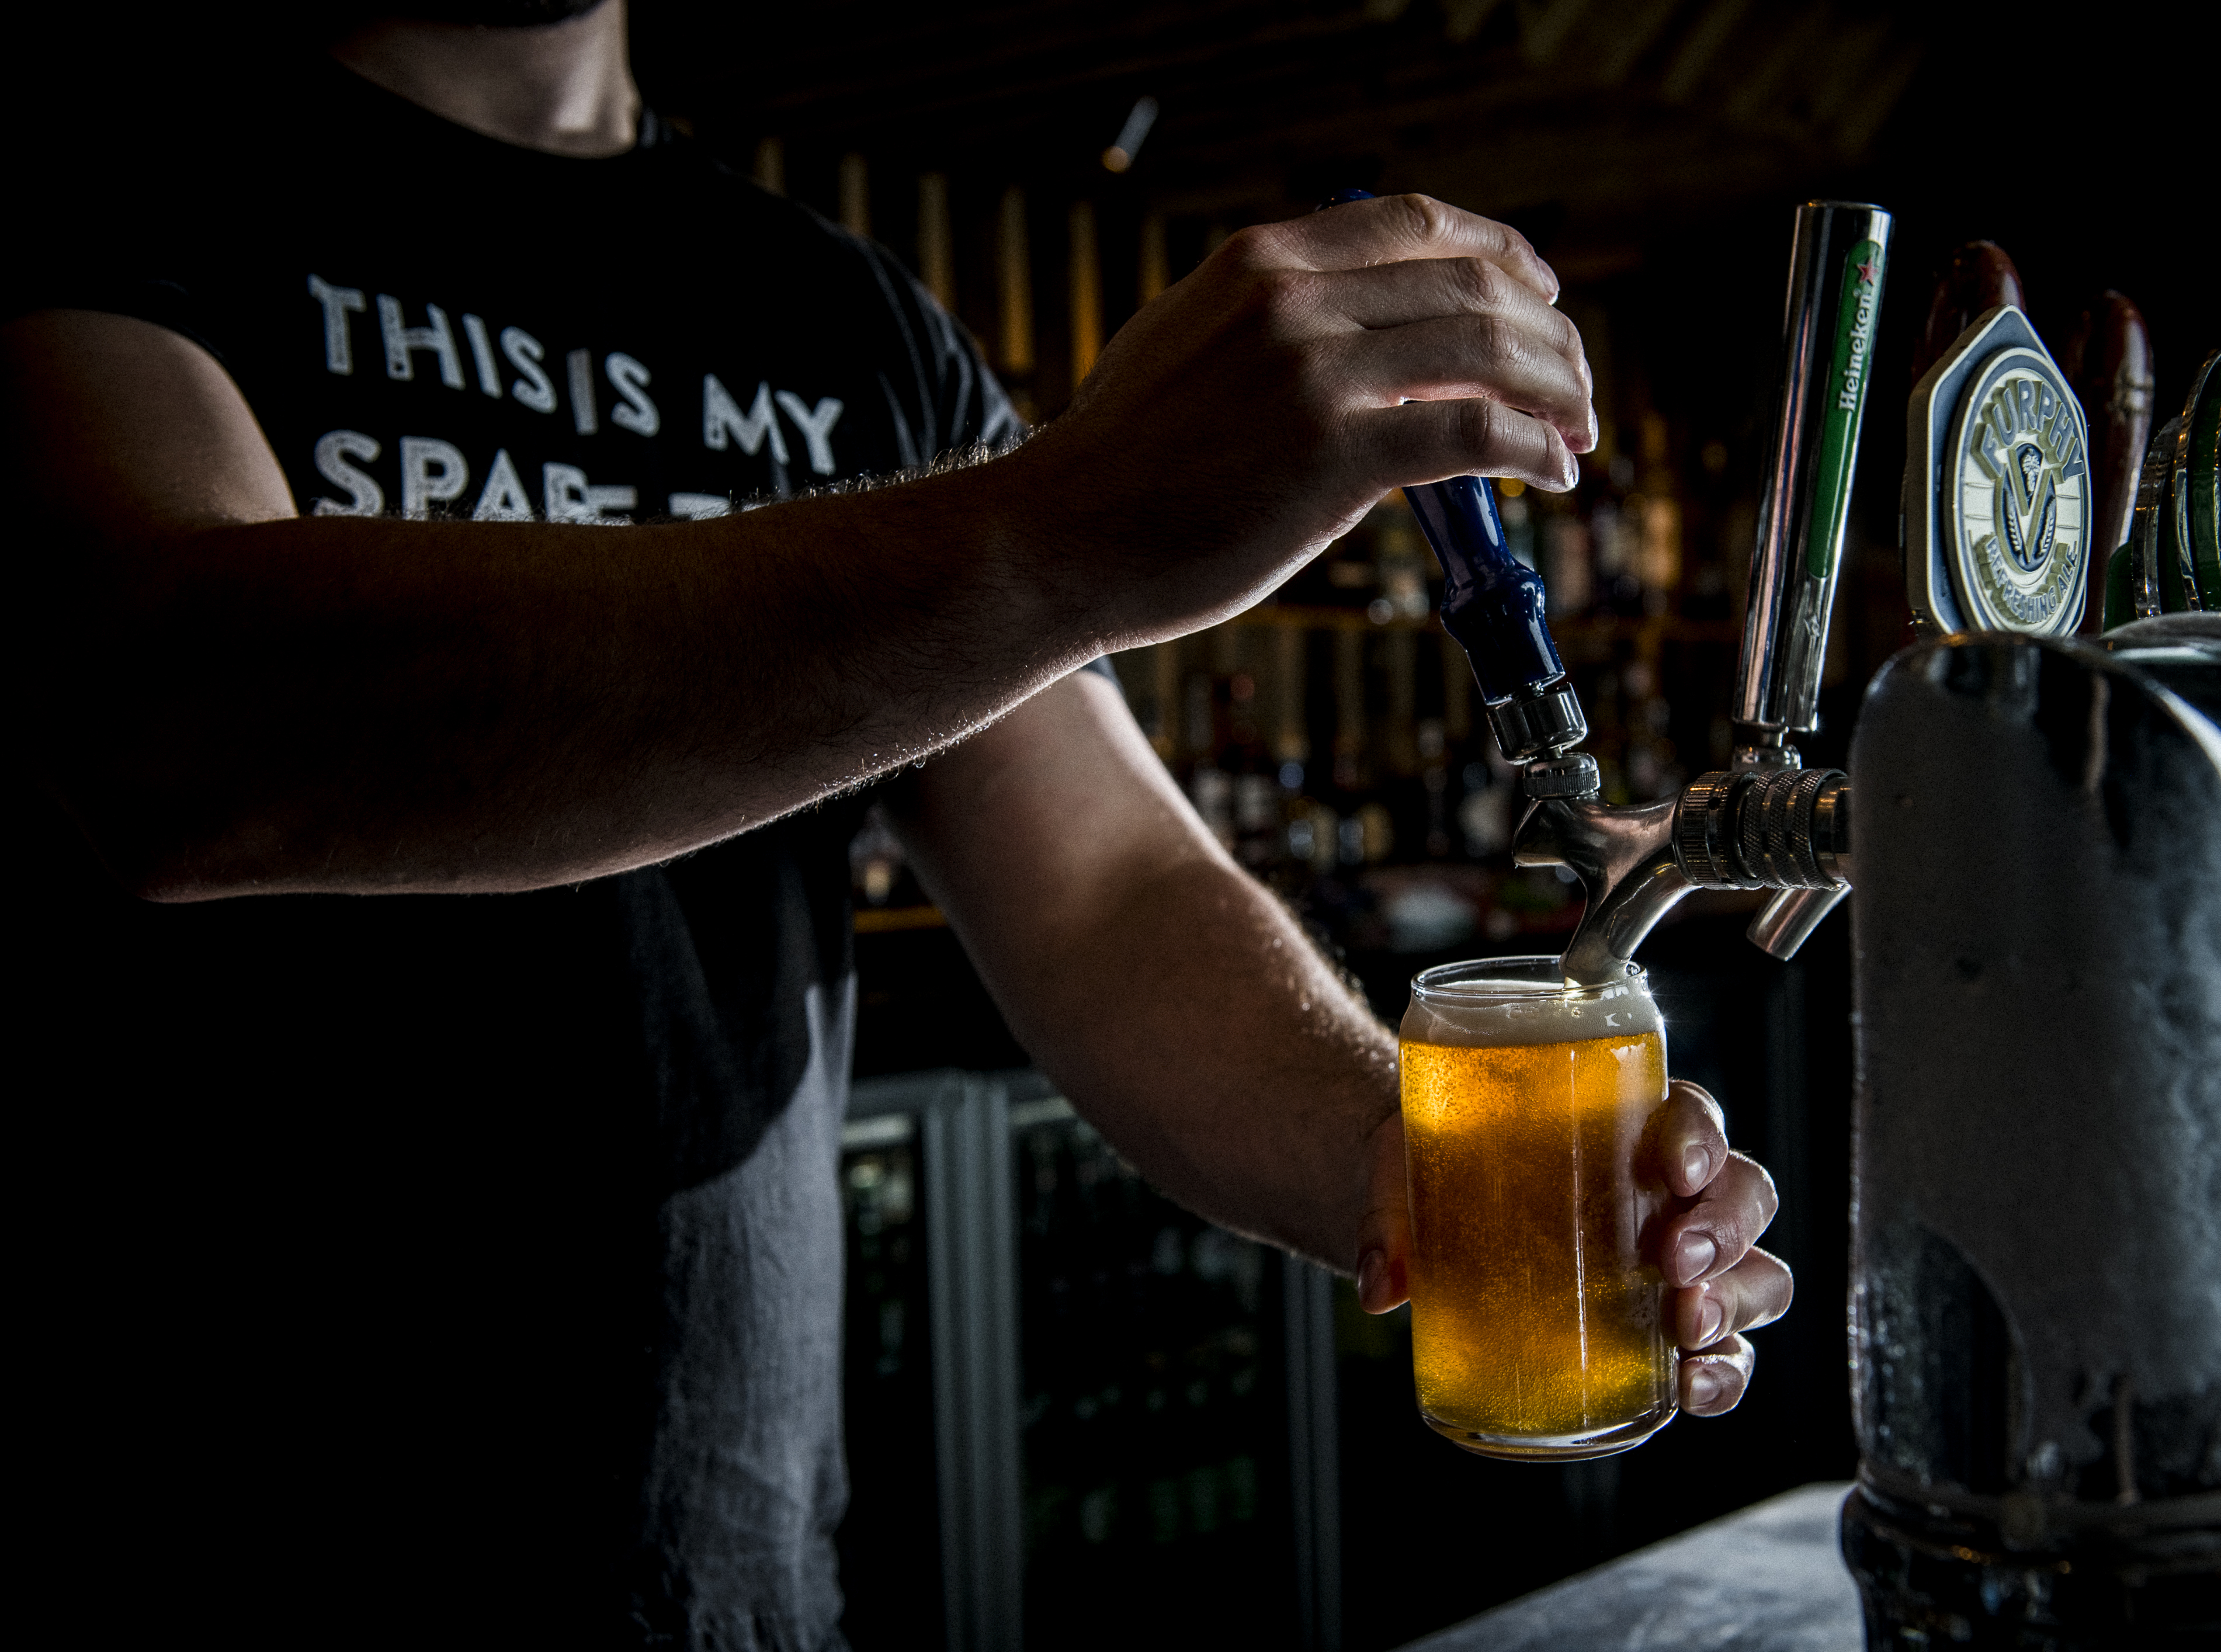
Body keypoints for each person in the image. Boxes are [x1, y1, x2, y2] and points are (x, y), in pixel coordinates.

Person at [5, 3, 1793, 1644]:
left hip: (724, 1577)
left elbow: (1104, 891)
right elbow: (182, 720)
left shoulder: (839, 321)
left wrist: (1415, 1166)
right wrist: (1064, 527)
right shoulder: (102, 161)